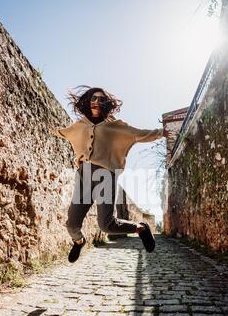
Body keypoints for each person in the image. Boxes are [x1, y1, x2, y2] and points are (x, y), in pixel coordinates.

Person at [49, 85, 171, 262]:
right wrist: (49, 128)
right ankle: (79, 242)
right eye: (93, 99)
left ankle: (141, 228)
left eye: (101, 99)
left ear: (106, 104)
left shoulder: (116, 127)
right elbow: (63, 133)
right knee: (72, 224)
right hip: (84, 176)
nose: (97, 102)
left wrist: (162, 133)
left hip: (106, 175)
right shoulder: (80, 125)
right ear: (88, 102)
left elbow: (140, 134)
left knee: (106, 225)